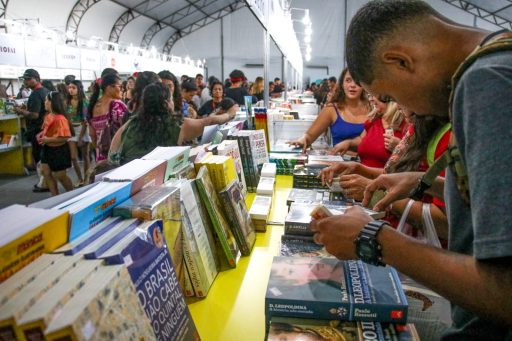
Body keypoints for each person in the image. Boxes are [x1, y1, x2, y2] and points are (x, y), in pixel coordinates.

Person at [312, 1, 512, 339]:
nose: (405, 110)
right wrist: (425, 182)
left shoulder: (486, 82)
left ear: (400, 60)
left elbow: (504, 290)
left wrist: (372, 239)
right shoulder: (501, 61)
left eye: (389, 94)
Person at [288, 69, 370, 152]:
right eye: (348, 80)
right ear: (342, 84)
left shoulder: (372, 109)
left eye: (357, 81)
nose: (353, 85)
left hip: (369, 163)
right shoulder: (332, 109)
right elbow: (309, 136)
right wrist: (302, 140)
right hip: (341, 162)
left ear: (364, 85)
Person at [111, 83, 182, 165]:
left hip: (129, 172)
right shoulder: (177, 124)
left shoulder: (131, 123)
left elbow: (112, 153)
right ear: (166, 103)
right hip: (160, 173)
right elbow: (200, 124)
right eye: (171, 99)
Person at [330, 97, 406, 168]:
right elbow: (362, 139)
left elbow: (413, 162)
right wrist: (349, 142)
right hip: (362, 179)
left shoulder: (406, 125)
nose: (370, 99)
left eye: (375, 95)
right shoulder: (374, 119)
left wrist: (400, 148)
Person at [14, 69, 50, 192]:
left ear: (36, 78)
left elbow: (34, 115)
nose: (26, 81)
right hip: (46, 129)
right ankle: (46, 181)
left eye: (29, 79)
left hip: (37, 130)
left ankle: (44, 183)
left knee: (40, 157)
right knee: (44, 157)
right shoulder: (45, 91)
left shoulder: (35, 94)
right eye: (25, 79)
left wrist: (21, 111)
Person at [38, 91, 73, 195]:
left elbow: (65, 137)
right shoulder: (48, 116)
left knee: (60, 176)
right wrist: (42, 136)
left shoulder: (61, 119)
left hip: (59, 151)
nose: (44, 102)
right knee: (46, 172)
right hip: (47, 149)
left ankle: (72, 195)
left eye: (46, 100)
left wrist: (48, 139)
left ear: (51, 102)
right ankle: (55, 197)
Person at [88, 73, 127, 161]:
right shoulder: (117, 105)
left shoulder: (93, 105)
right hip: (117, 154)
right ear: (109, 87)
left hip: (101, 154)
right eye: (120, 86)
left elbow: (92, 134)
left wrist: (99, 148)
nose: (122, 89)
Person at [67, 80, 91, 187]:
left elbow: (86, 121)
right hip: (71, 130)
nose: (71, 90)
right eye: (70, 87)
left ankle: (86, 178)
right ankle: (80, 178)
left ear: (79, 89)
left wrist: (80, 137)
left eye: (73, 87)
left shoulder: (84, 102)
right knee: (73, 157)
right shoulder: (67, 102)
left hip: (83, 129)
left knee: (85, 155)